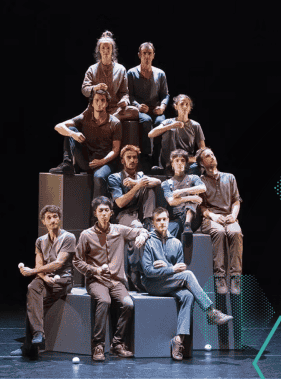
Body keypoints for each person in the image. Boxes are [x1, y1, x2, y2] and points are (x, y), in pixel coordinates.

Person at [140, 207, 233, 360]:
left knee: (188, 296)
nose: (162, 222)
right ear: (154, 223)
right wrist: (171, 269)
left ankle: (178, 341)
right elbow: (148, 271)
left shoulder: (176, 243)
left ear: (168, 221)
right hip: (153, 285)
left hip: (170, 283)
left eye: (164, 219)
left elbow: (180, 269)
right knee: (188, 275)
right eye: (158, 220)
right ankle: (211, 312)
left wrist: (165, 267)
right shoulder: (149, 242)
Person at [73, 196, 149, 361]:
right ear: (95, 213)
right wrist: (95, 270)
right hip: (96, 280)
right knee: (104, 301)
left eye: (106, 210)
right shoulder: (86, 235)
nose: (104, 214)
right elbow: (77, 261)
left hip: (116, 281)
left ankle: (117, 343)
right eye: (100, 210)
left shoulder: (119, 230)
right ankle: (98, 345)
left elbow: (142, 230)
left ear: (111, 213)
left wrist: (142, 236)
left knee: (128, 304)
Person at [12, 205, 76, 359]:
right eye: (49, 217)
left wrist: (33, 272)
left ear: (59, 218)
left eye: (55, 216)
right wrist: (43, 277)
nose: (53, 220)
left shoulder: (68, 237)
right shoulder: (40, 241)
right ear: (43, 221)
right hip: (46, 279)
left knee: (33, 303)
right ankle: (38, 335)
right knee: (32, 288)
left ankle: (29, 347)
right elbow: (39, 265)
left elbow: (58, 263)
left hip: (63, 279)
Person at [49, 89, 121, 199]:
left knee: (99, 177)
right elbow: (58, 126)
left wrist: (102, 161)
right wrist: (73, 134)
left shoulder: (115, 123)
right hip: (86, 159)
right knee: (71, 129)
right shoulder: (85, 117)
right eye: (96, 100)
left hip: (104, 162)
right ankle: (67, 164)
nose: (99, 103)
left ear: (107, 103)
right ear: (92, 103)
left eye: (102, 100)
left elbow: (115, 150)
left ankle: (97, 208)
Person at [107, 144, 161, 291]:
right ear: (122, 160)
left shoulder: (141, 176)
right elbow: (119, 202)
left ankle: (149, 221)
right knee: (137, 230)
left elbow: (158, 182)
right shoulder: (115, 177)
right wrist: (137, 187)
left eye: (135, 157)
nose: (132, 160)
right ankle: (134, 272)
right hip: (123, 215)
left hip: (141, 214)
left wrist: (137, 182)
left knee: (150, 190)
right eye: (129, 157)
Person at [197, 148, 243, 295]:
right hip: (211, 218)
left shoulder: (229, 177)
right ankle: (220, 277)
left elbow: (236, 201)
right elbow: (201, 206)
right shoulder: (201, 181)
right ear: (202, 163)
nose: (212, 157)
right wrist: (213, 216)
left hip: (229, 217)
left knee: (236, 232)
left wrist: (233, 215)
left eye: (212, 154)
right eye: (207, 156)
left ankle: (235, 277)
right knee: (219, 232)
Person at [126, 42, 169, 169]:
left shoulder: (160, 73)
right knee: (146, 121)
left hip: (156, 110)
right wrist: (137, 106)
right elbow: (129, 95)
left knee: (161, 122)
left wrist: (162, 107)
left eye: (149, 53)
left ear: (153, 55)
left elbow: (165, 95)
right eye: (144, 53)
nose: (147, 56)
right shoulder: (131, 73)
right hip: (140, 110)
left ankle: (156, 158)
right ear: (139, 55)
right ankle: (145, 157)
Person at [81, 31, 139, 121]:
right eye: (103, 48)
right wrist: (95, 88)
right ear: (99, 50)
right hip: (97, 110)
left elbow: (124, 93)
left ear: (112, 50)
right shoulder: (92, 69)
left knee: (135, 111)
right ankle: (108, 120)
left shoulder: (121, 69)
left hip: (115, 110)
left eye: (108, 48)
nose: (106, 51)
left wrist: (124, 101)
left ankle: (110, 119)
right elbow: (84, 90)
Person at [148, 94, 205, 174]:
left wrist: (194, 159)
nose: (184, 107)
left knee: (199, 167)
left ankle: (170, 173)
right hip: (170, 161)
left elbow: (202, 149)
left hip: (186, 161)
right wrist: (171, 126)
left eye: (187, 104)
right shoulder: (168, 122)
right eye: (182, 104)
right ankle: (169, 168)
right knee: (171, 131)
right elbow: (151, 134)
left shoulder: (195, 125)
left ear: (190, 108)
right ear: (176, 106)